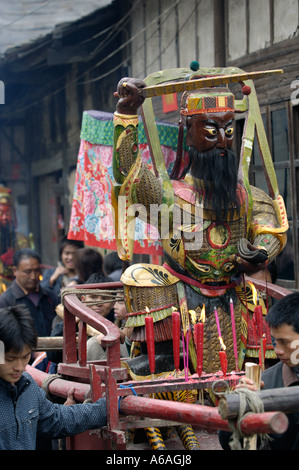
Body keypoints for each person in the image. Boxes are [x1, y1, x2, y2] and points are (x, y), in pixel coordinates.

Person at [112, 72, 288, 378]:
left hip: (236, 292)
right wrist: (127, 114)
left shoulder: (248, 196)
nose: (222, 141)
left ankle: (261, 366)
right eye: (210, 130)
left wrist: (260, 253)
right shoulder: (171, 197)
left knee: (261, 289)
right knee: (140, 277)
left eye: (229, 130)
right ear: (188, 131)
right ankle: (164, 361)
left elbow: (268, 227)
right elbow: (129, 175)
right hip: (182, 292)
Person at [0, 304, 107, 450]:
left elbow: (55, 419)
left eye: (25, 357)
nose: (19, 366)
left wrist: (107, 407)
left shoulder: (26, 386)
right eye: (11, 359)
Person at [219, 291, 299, 450]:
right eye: (276, 342)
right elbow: (230, 443)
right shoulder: (266, 382)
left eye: (285, 342)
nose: (278, 351)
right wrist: (242, 407)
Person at [0, 248, 59, 337]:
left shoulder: (51, 297)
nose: (33, 276)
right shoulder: (6, 301)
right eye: (27, 272)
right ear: (15, 271)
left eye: (36, 270)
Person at [0, 186, 30, 292]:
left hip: (18, 286)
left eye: (7, 213)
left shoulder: (21, 239)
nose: (4, 217)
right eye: (1, 213)